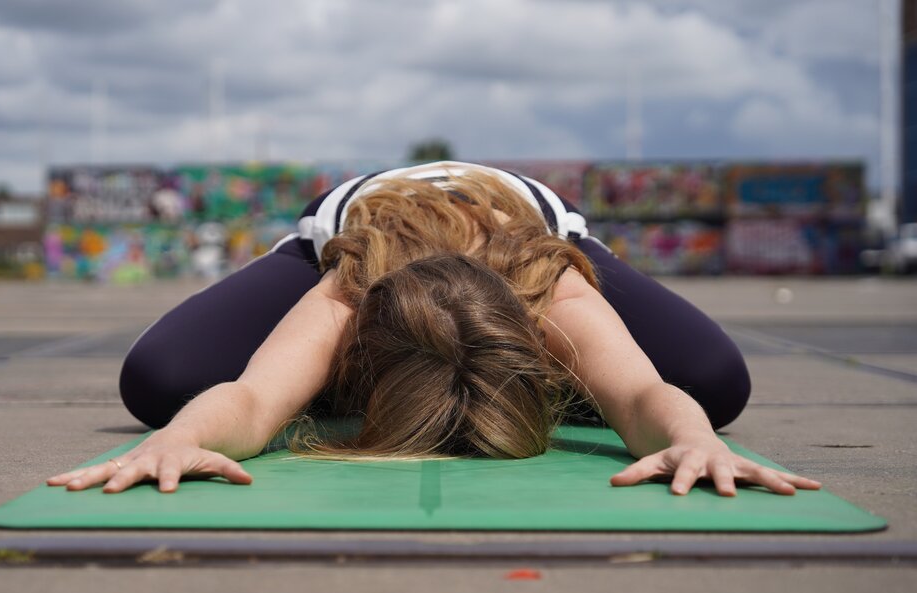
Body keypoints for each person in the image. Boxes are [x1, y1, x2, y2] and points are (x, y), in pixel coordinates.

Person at [47, 161, 821, 497]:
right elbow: (248, 403)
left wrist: (692, 439)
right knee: (161, 382)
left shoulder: (551, 279)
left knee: (713, 384)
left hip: (531, 222)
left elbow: (651, 392)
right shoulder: (347, 285)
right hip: (361, 219)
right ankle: (424, 373)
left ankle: (502, 376)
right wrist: (180, 439)